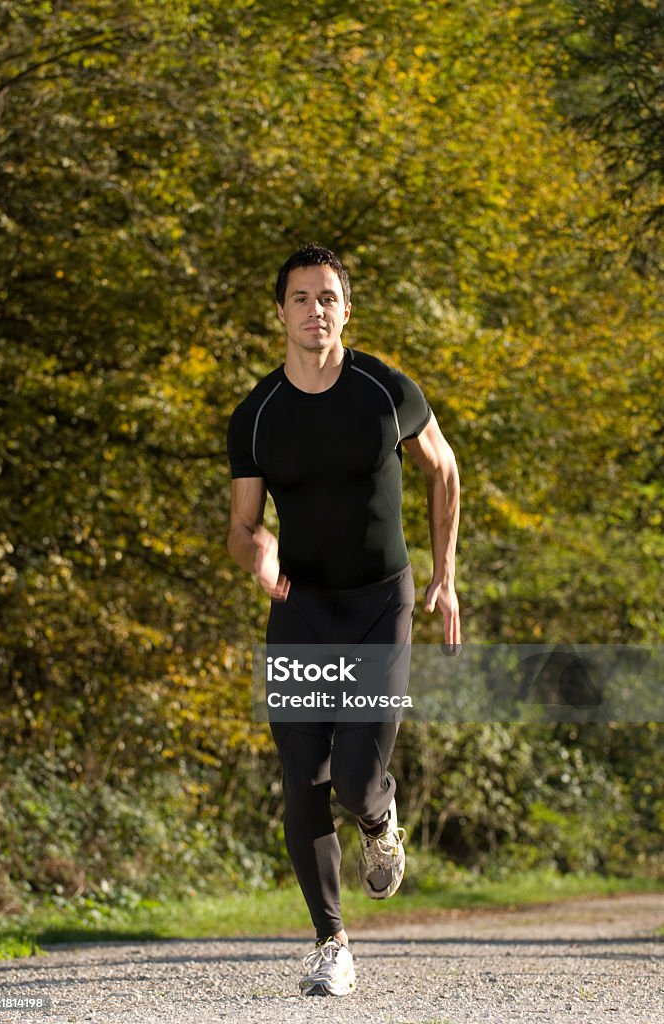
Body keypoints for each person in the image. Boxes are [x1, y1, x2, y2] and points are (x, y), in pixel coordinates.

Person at [226, 243, 460, 997]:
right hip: (300, 610)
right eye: (300, 298)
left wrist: (445, 576)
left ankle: (377, 817)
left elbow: (443, 469)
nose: (314, 310)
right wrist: (258, 556)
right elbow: (242, 525)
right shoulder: (256, 415)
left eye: (327, 297)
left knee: (356, 781)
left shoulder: (382, 390)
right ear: (281, 312)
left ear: (345, 310)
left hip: (378, 604)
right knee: (302, 777)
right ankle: (330, 941)